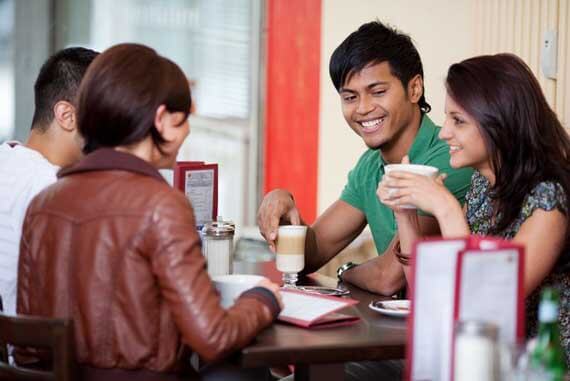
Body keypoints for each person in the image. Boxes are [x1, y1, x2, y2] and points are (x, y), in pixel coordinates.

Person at [17, 43, 282, 380]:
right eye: (184, 118)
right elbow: (213, 337)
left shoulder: (43, 203)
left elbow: (27, 349)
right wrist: (262, 300)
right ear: (162, 120)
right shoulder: (163, 205)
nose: (187, 130)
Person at [257, 20, 473, 295]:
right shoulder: (370, 166)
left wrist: (345, 272)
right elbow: (312, 253)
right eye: (350, 97)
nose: (363, 108)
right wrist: (282, 207)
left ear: (414, 89)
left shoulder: (450, 160)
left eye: (378, 92)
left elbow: (390, 277)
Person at [378, 53, 570, 360]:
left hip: (537, 368)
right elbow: (428, 294)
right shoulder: (483, 186)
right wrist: (405, 212)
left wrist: (446, 208)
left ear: (501, 123)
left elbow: (484, 307)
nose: (443, 133)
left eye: (458, 121)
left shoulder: (549, 200)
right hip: (478, 360)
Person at [0, 47, 98, 315]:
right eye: (103, 113)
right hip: (32, 349)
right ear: (66, 115)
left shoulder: (7, 157)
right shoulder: (50, 189)